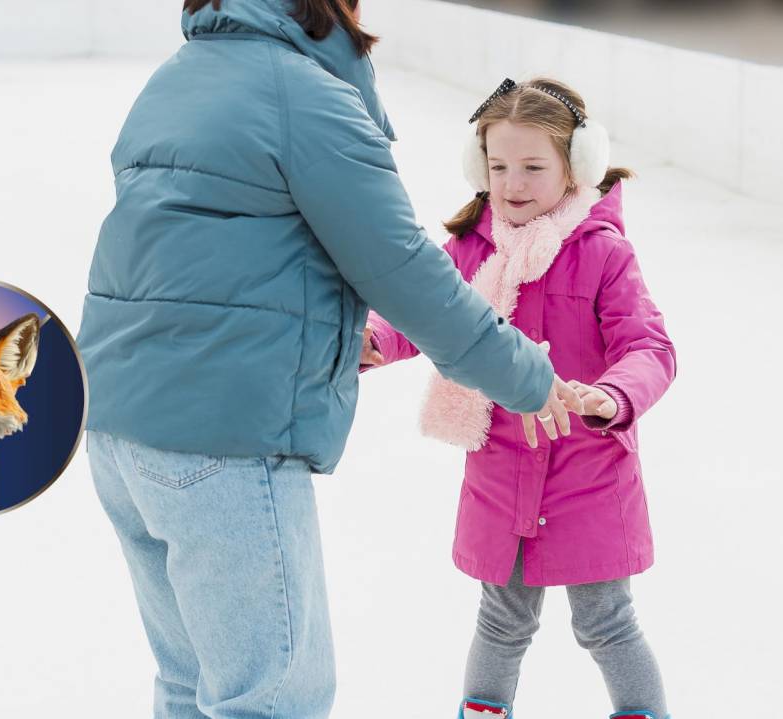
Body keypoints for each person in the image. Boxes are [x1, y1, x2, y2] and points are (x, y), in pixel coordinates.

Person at [74, 2, 580, 716]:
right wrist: (526, 374)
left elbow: (204, 257)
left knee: (190, 687)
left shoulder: (176, 78)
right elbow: (404, 272)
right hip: (221, 437)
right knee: (272, 699)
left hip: (119, 426)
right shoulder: (305, 99)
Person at [361, 77, 677, 719]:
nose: (513, 183)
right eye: (498, 166)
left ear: (575, 168)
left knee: (605, 622)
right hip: (502, 470)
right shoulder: (471, 247)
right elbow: (427, 314)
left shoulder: (602, 254)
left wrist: (610, 396)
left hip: (587, 474)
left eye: (534, 167)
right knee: (502, 621)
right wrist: (377, 339)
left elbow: (651, 348)